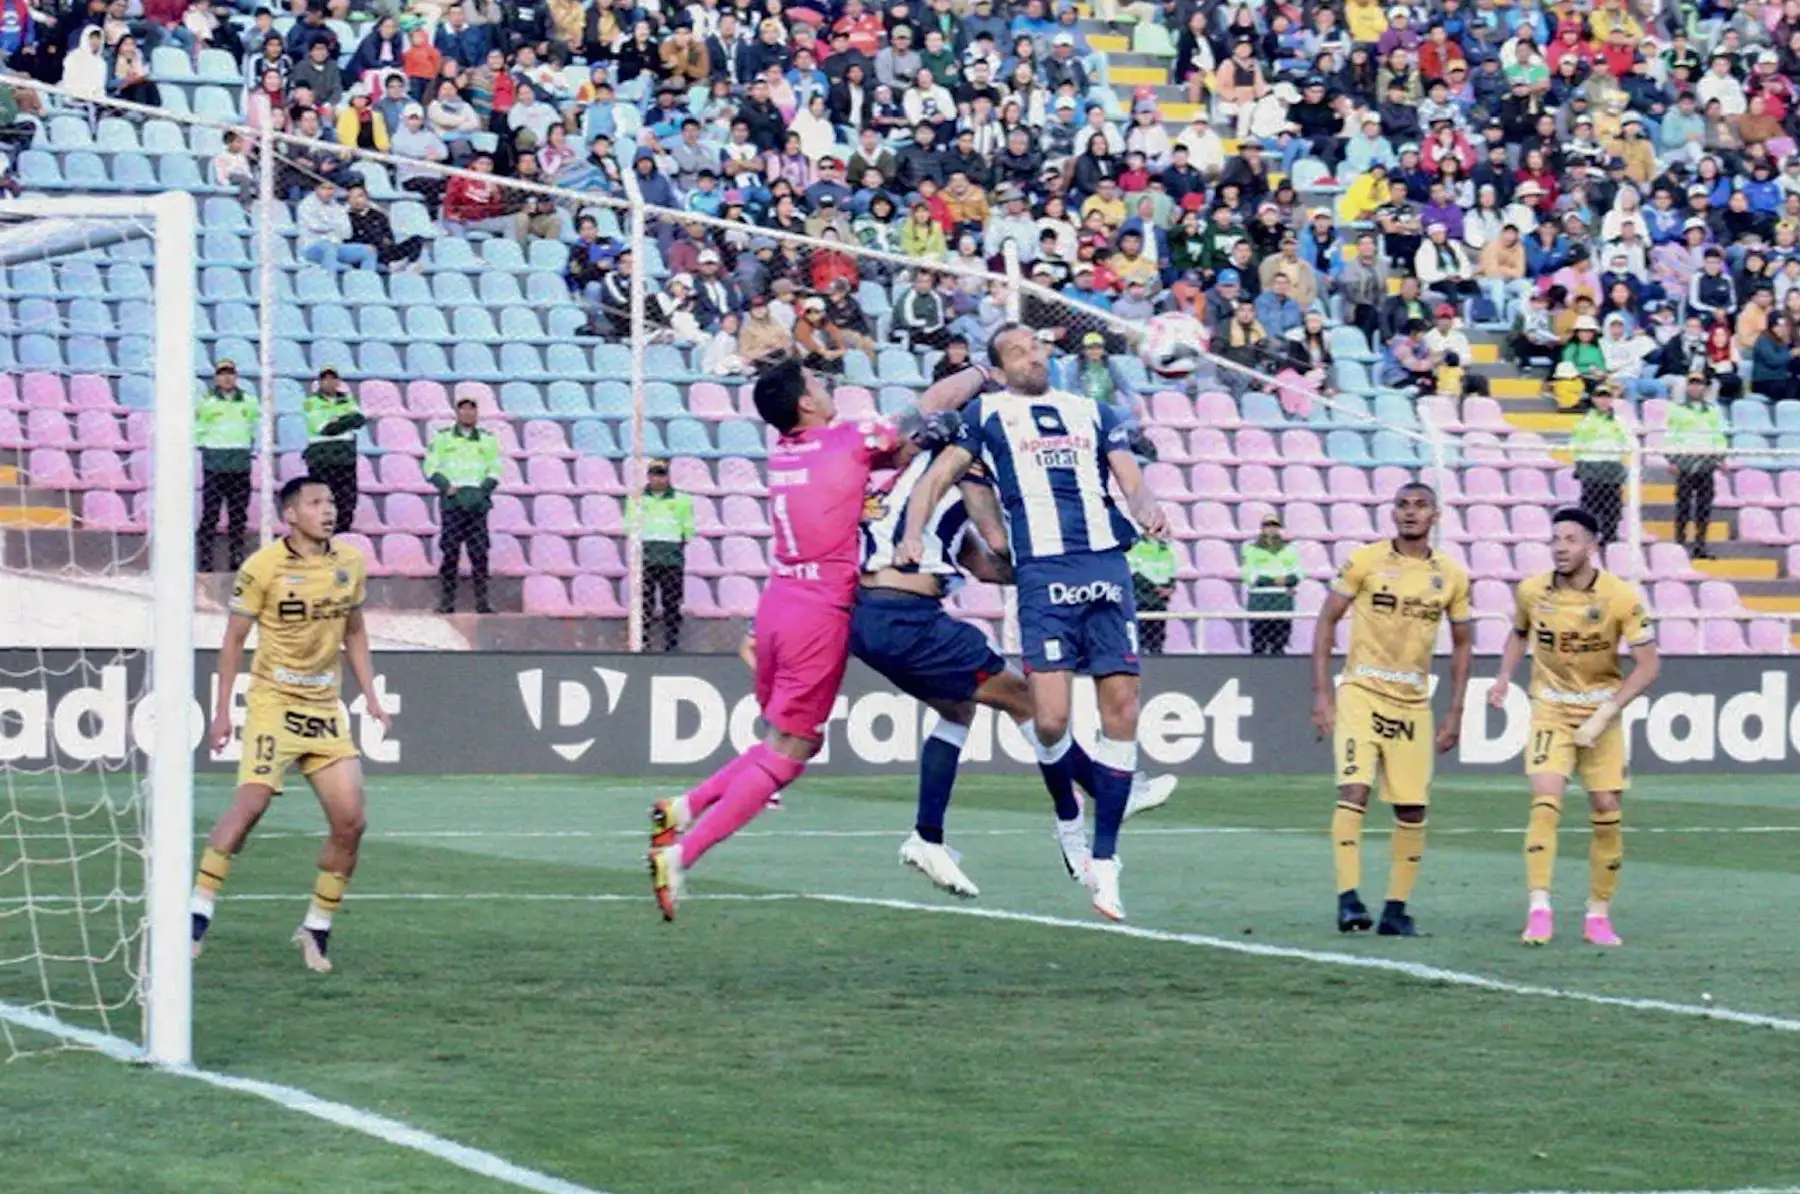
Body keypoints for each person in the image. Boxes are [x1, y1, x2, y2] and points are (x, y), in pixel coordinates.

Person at [896, 324, 1170, 921]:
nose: (1033, 357)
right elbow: (937, 480)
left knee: (1123, 709)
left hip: (1105, 563)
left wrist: (1146, 506)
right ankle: (1068, 817)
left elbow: (1130, 476)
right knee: (1049, 720)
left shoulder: (1093, 410)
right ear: (999, 369)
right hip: (1042, 573)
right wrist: (913, 533)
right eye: (1018, 352)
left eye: (1037, 348)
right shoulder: (985, 414)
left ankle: (1106, 861)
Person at [646, 359, 909, 920]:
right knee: (791, 753)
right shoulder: (841, 441)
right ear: (805, 404)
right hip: (816, 613)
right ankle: (681, 856)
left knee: (786, 742)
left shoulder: (786, 451)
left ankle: (682, 808)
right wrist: (977, 379)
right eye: (816, 384)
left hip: (778, 604)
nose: (825, 387)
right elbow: (916, 419)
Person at [190, 477, 391, 974]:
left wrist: (370, 695)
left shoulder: (349, 563)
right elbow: (233, 641)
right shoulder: (262, 567)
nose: (328, 510)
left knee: (351, 823)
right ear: (291, 515)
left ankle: (315, 929)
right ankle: (194, 918)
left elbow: (355, 632)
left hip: (324, 710)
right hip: (274, 704)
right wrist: (222, 711)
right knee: (250, 805)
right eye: (316, 503)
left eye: (331, 502)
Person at [1489, 507, 1659, 948]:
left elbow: (1648, 665)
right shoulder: (1532, 591)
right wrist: (1504, 675)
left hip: (1601, 716)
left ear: (1592, 546)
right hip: (1550, 709)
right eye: (1555, 539)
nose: (1560, 548)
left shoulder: (1620, 597)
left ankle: (1598, 914)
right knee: (1545, 802)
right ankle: (1539, 908)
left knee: (1606, 809)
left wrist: (1604, 714)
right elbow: (1519, 633)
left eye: (1571, 539)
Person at [1309, 483, 1474, 938]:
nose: (1410, 513)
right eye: (1402, 505)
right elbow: (1326, 620)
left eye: (1420, 506)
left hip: (1413, 702)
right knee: (1354, 789)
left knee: (1413, 808)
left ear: (1435, 515)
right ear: (1392, 513)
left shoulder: (1452, 575)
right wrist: (1322, 693)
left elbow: (1463, 644)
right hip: (1361, 691)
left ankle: (1396, 910)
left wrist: (1455, 711)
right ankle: (1348, 900)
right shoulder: (1365, 560)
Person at [423, 396, 501, 615]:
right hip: (453, 503)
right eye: (463, 409)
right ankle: (447, 602)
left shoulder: (488, 439)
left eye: (471, 409)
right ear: (457, 413)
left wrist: (482, 491)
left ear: (476, 413)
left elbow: (495, 469)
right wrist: (445, 486)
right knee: (450, 552)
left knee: (479, 553)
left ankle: (483, 602)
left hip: (477, 504)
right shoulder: (443, 437)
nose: (468, 413)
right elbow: (430, 466)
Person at [193, 359, 257, 573]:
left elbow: (254, 426)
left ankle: (236, 556)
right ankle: (205, 557)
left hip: (240, 465)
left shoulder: (248, 401)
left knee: (238, 514)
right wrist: (208, 449)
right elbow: (198, 429)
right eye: (222, 373)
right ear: (216, 378)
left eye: (230, 373)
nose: (227, 377)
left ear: (236, 376)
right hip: (215, 464)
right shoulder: (206, 402)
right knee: (211, 513)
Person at [627, 458, 696, 651]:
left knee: (672, 602)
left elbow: (688, 529)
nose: (658, 479)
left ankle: (672, 642)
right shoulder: (637, 499)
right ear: (648, 476)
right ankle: (642, 641)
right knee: (644, 602)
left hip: (671, 557)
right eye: (654, 474)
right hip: (646, 556)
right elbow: (630, 527)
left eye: (662, 474)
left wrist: (678, 545)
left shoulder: (682, 500)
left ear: (668, 476)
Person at [1665, 370, 1728, 558]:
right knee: (1683, 504)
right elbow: (1670, 435)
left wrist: (1721, 456)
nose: (1694, 387)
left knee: (1704, 505)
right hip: (1685, 459)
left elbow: (1719, 435)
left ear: (1705, 387)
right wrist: (1672, 458)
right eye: (1691, 383)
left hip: (1706, 460)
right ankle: (1680, 541)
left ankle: (1700, 544)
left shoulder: (1713, 410)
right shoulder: (1677, 409)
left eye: (1698, 383)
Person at [302, 367, 364, 535]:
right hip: (322, 458)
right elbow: (324, 428)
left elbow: (359, 419)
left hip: (345, 458)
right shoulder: (311, 402)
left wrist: (338, 421)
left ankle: (342, 533)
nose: (329, 382)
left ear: (338, 381)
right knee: (321, 497)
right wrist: (346, 420)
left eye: (333, 379)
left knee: (346, 499)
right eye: (325, 379)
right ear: (319, 382)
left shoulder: (347, 399)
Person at [1570, 383, 1630, 544]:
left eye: (1606, 397)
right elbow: (1576, 443)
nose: (1603, 401)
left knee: (1612, 506)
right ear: (1593, 399)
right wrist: (1579, 463)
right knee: (1590, 505)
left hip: (1611, 465)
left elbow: (1627, 442)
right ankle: (1588, 536)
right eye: (1600, 397)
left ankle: (1610, 538)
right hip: (1591, 464)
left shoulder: (1619, 421)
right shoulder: (1586, 420)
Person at [1241, 513, 1301, 655]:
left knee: (1279, 644)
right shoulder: (1251, 549)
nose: (1271, 528)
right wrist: (1275, 581)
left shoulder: (1290, 550)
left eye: (1274, 525)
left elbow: (1298, 574)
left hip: (1282, 602)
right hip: (1260, 601)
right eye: (1268, 525)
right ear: (1262, 528)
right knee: (1258, 643)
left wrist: (1287, 580)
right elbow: (1249, 575)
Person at [1126, 534, 1176, 656]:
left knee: (1158, 638)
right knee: (1140, 637)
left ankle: (1157, 656)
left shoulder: (1165, 549)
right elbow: (1133, 573)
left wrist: (1170, 588)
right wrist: (1155, 588)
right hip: (1141, 601)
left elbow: (1171, 572)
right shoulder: (1135, 546)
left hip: (1160, 602)